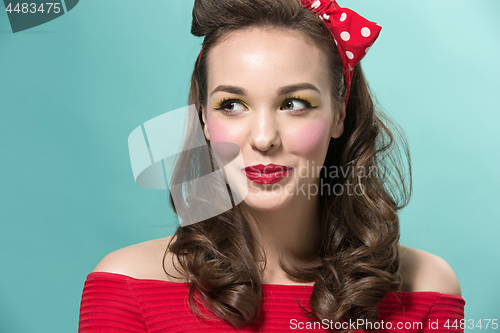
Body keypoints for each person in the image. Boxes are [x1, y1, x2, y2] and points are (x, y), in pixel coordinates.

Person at [78, 0, 465, 332]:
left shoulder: (427, 289)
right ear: (203, 121)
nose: (264, 138)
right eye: (232, 105)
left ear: (339, 114)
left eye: (294, 103)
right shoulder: (126, 284)